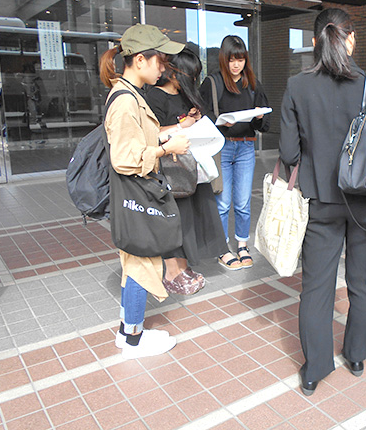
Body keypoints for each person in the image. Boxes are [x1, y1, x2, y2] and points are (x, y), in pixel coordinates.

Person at [280, 8, 366, 396]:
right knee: (365, 280)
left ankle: (315, 368)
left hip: (321, 200)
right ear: (351, 39)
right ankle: (357, 353)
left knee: (316, 287)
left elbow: (288, 152)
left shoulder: (297, 85)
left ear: (315, 42)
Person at [101, 23, 189, 359]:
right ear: (139, 60)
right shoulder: (125, 101)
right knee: (141, 264)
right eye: (159, 61)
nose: (163, 67)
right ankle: (133, 341)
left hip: (133, 194)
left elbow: (135, 143)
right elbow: (124, 159)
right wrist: (166, 149)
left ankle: (129, 332)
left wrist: (162, 140)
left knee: (136, 263)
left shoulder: (128, 93)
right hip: (136, 194)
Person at [146, 47, 242, 294]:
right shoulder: (154, 96)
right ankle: (172, 272)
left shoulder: (185, 96)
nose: (193, 82)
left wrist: (197, 120)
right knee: (174, 221)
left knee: (190, 219)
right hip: (169, 171)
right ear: (175, 73)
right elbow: (151, 133)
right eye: (191, 76)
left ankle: (184, 268)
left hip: (191, 169)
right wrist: (182, 124)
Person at [199, 35, 270, 269]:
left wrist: (260, 117)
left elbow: (263, 124)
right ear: (224, 59)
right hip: (222, 148)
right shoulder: (213, 82)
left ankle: (242, 244)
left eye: (240, 59)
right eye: (231, 60)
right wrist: (220, 123)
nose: (236, 64)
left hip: (246, 146)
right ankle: (223, 248)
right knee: (223, 202)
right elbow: (201, 116)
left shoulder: (252, 83)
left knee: (243, 202)